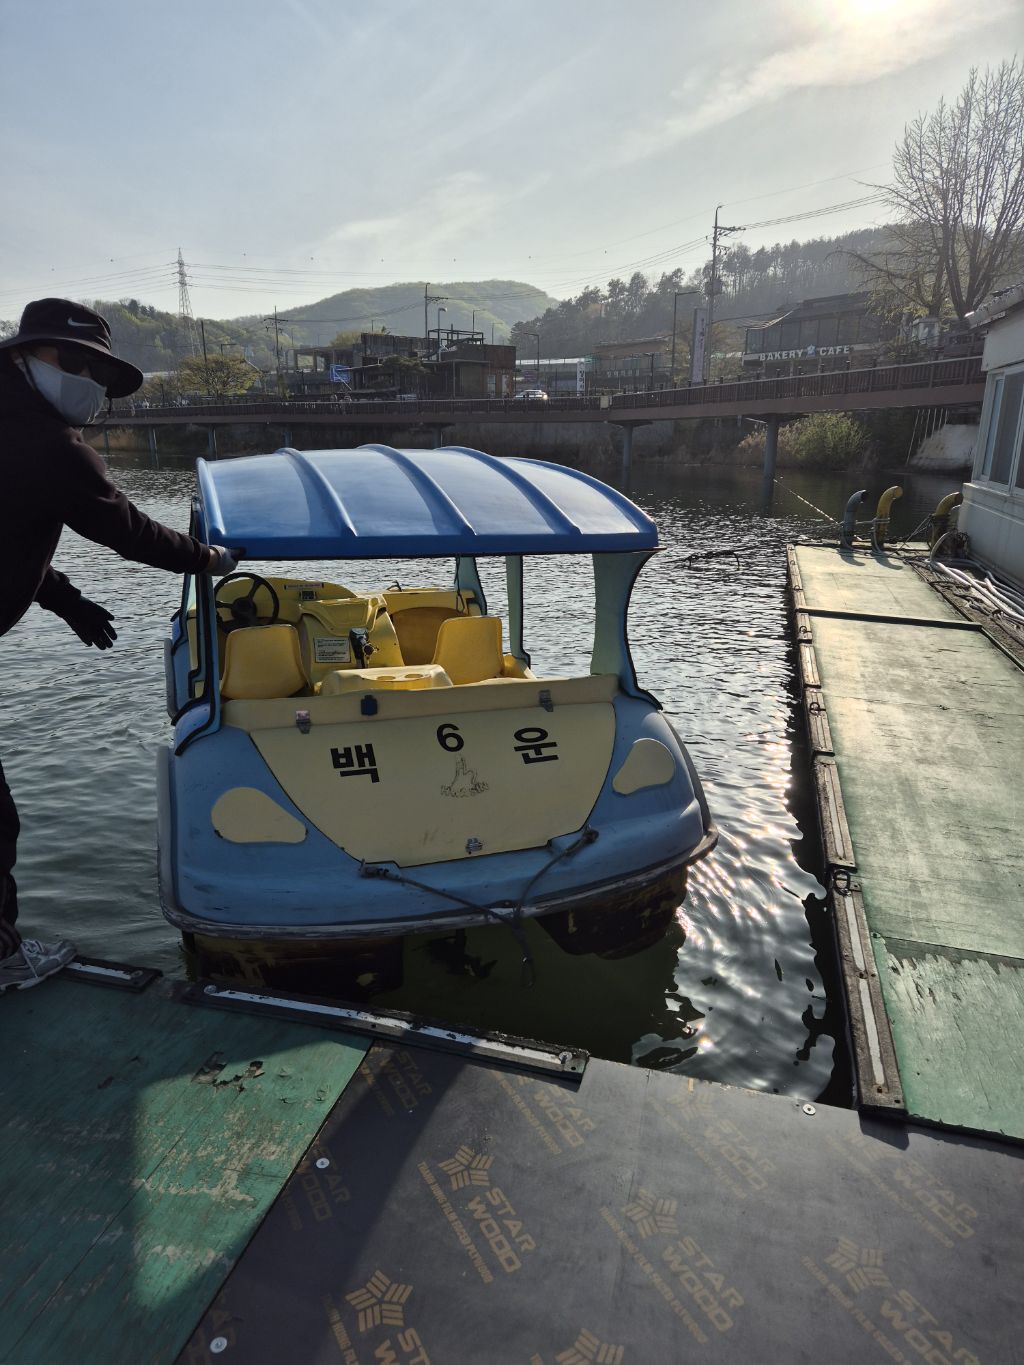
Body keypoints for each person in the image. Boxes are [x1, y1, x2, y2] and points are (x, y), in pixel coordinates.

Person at [0, 298, 236, 993]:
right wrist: (209, 558)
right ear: (26, 355)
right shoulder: (48, 443)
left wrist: (65, 599)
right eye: (74, 363)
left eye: (97, 373)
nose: (87, 382)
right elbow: (127, 529)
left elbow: (8, 538)